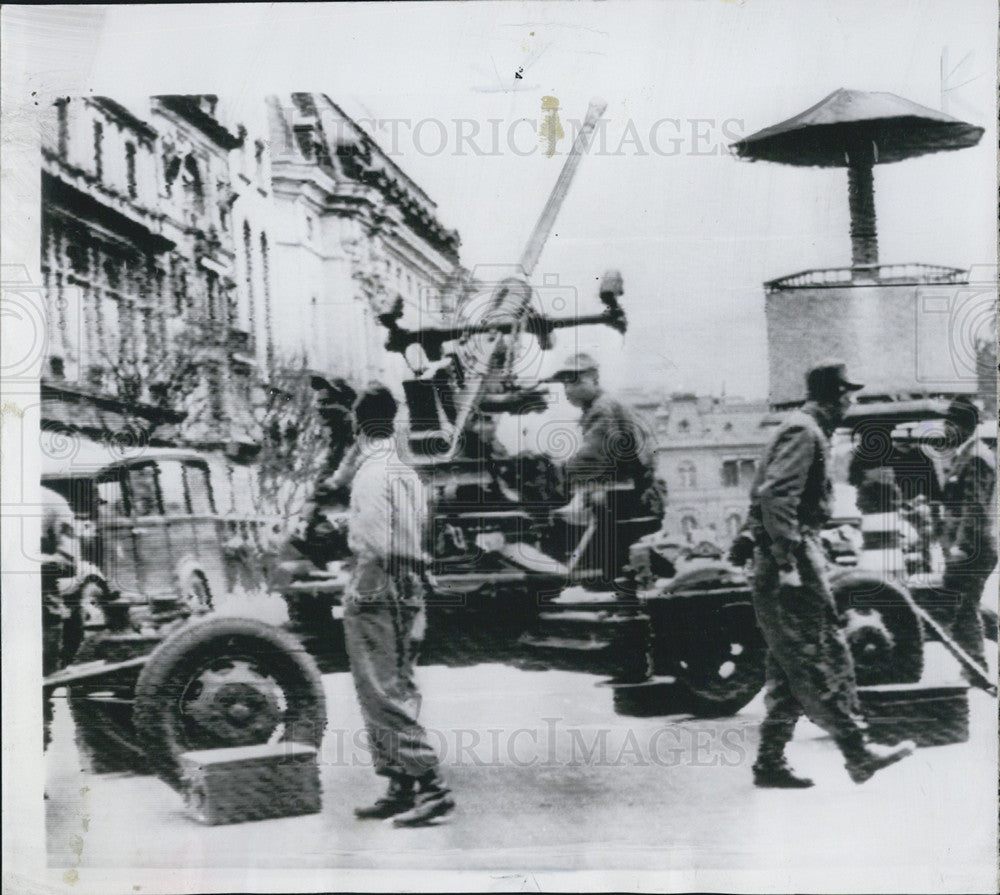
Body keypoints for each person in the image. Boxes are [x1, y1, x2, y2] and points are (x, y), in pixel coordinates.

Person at [745, 360, 915, 788]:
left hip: (791, 556)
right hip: (793, 563)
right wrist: (787, 563)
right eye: (848, 395)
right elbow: (775, 497)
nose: (851, 402)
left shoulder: (798, 427)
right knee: (820, 655)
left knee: (790, 665)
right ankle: (857, 753)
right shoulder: (806, 432)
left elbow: (766, 499)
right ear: (835, 395)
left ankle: (770, 761)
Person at [338, 384, 455, 826]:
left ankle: (430, 783)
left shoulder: (370, 474)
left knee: (377, 688)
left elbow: (371, 540)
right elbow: (418, 529)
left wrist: (357, 585)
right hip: (409, 580)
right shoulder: (406, 471)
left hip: (378, 578)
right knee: (400, 684)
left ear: (357, 426)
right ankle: (401, 784)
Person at [550, 353, 666, 578]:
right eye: (564, 382)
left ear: (594, 378)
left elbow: (592, 458)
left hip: (627, 499)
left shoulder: (603, 409)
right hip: (635, 496)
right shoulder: (603, 406)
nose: (568, 389)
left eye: (574, 380)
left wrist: (554, 473)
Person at [939, 395, 997, 675]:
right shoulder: (967, 453)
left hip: (974, 547)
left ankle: (976, 666)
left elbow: (975, 507)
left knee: (962, 605)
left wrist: (962, 546)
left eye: (950, 423)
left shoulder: (975, 457)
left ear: (962, 425)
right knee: (964, 603)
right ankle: (975, 662)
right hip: (968, 545)